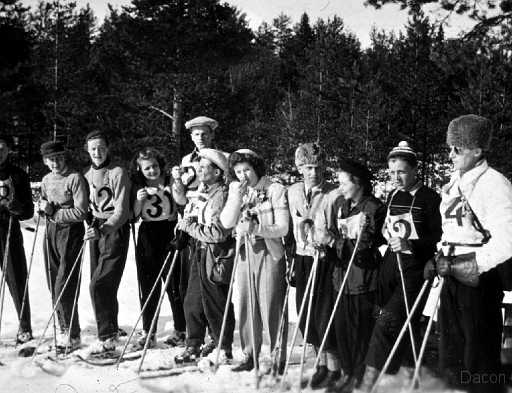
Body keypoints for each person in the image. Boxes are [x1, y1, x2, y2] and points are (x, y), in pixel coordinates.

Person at [432, 115, 512, 393]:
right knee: (451, 353)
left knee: (478, 357)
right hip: (451, 275)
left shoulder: (494, 184)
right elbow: (451, 230)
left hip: (479, 281)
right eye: (450, 147)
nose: (451, 154)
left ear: (478, 150)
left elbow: (507, 241)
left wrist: (472, 265)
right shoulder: (454, 183)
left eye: (458, 148)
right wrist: (439, 255)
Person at [357, 141, 442, 392]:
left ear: (415, 170)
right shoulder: (394, 195)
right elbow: (390, 230)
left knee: (388, 322)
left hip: (414, 269)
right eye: (392, 173)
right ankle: (403, 376)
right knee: (395, 322)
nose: (396, 177)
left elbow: (437, 236)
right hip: (390, 266)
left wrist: (411, 244)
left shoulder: (430, 198)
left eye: (401, 172)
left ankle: (368, 384)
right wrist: (383, 231)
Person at [220, 149, 289, 373]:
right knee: (246, 305)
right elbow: (227, 222)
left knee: (270, 304)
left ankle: (277, 354)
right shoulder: (236, 190)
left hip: (269, 251)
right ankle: (250, 353)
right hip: (245, 252)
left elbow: (283, 227)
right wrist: (236, 197)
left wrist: (257, 227)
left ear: (256, 168)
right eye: (238, 171)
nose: (243, 176)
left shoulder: (274, 189)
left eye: (247, 170)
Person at [287, 143, 343, 389]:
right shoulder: (294, 191)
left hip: (325, 259)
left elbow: (339, 229)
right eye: (308, 167)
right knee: (304, 310)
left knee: (324, 313)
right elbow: (292, 226)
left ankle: (334, 367)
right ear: (300, 167)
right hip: (302, 256)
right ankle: (319, 363)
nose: (314, 172)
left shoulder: (334, 193)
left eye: (318, 167)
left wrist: (328, 241)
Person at [174, 148, 235, 365]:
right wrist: (185, 227)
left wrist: (190, 228)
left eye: (203, 167)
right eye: (198, 167)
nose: (199, 171)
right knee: (192, 300)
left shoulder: (222, 195)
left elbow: (218, 233)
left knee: (217, 301)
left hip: (217, 255)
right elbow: (193, 217)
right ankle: (193, 343)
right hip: (199, 251)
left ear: (218, 172)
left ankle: (223, 347)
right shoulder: (205, 190)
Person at [329, 159, 386, 392]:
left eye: (344, 183)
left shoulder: (373, 208)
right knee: (342, 330)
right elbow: (335, 232)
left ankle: (359, 378)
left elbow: (364, 248)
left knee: (360, 332)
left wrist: (333, 241)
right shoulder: (342, 204)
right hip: (341, 278)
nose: (340, 188)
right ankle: (347, 373)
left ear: (358, 182)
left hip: (363, 280)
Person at [170, 115, 220, 349]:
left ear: (212, 135)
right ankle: (194, 335)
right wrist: (177, 183)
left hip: (210, 224)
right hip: (190, 224)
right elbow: (180, 198)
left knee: (211, 284)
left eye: (205, 133)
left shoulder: (220, 160)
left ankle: (215, 335)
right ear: (190, 136)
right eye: (196, 134)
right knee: (189, 283)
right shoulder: (186, 160)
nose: (200, 137)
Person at [130, 147, 187, 348]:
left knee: (173, 283)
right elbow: (134, 216)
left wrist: (176, 184)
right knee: (148, 284)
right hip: (148, 233)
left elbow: (181, 202)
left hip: (169, 231)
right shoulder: (139, 185)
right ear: (140, 169)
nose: (152, 171)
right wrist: (138, 201)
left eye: (154, 166)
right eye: (147, 168)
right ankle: (149, 330)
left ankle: (181, 328)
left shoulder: (169, 181)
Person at [83, 130, 131, 353]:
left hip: (114, 230)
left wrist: (104, 229)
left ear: (108, 148)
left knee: (100, 284)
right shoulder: (87, 174)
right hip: (97, 230)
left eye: (101, 148)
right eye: (93, 148)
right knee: (102, 283)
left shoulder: (117, 172)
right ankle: (110, 326)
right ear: (87, 150)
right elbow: (88, 205)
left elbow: (122, 211)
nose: (97, 152)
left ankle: (107, 337)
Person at [38, 141, 88, 351]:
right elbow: (42, 203)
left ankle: (72, 334)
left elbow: (81, 212)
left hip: (70, 232)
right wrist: (42, 210)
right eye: (51, 159)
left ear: (64, 157)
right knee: (52, 282)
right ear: (45, 161)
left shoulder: (75, 178)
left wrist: (54, 212)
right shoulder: (46, 179)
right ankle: (63, 327)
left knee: (64, 284)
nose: (56, 162)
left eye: (59, 157)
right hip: (50, 231)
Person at [0, 135, 33, 344]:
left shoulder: (18, 174)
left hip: (8, 231)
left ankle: (25, 327)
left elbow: (29, 211)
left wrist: (17, 208)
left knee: (16, 278)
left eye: (2, 148)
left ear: (8, 150)